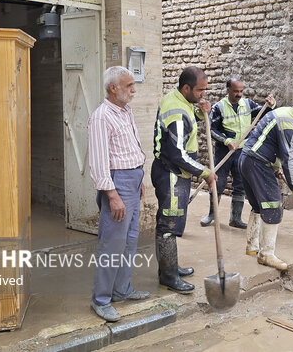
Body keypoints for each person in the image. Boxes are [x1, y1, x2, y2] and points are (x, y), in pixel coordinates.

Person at [88, 66, 148, 322]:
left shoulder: (125, 112)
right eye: (129, 86)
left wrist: (139, 179)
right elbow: (100, 161)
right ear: (113, 88)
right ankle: (100, 300)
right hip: (117, 183)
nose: (133, 90)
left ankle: (122, 290)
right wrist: (112, 194)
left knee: (131, 239)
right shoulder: (102, 117)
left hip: (132, 179)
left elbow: (130, 148)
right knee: (112, 243)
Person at [152, 66, 217, 294]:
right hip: (171, 173)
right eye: (200, 90)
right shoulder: (176, 111)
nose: (203, 95)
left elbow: (186, 120)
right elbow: (176, 153)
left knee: (173, 221)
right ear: (186, 87)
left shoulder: (179, 100)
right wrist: (205, 172)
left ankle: (169, 268)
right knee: (169, 225)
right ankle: (168, 277)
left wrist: (199, 113)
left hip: (174, 172)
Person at [239, 94, 293, 271]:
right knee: (273, 205)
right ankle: (266, 255)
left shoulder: (285, 113)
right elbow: (289, 159)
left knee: (258, 205)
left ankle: (252, 246)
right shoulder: (289, 123)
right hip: (257, 163)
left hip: (247, 159)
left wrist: (275, 166)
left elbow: (273, 144)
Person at [200, 77, 276, 229]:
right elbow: (211, 129)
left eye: (241, 91)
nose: (239, 94)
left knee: (240, 185)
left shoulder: (247, 104)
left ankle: (235, 218)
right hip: (224, 151)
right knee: (218, 183)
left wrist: (272, 105)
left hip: (242, 151)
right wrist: (226, 141)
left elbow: (264, 113)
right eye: (235, 91)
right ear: (228, 90)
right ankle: (212, 215)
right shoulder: (219, 107)